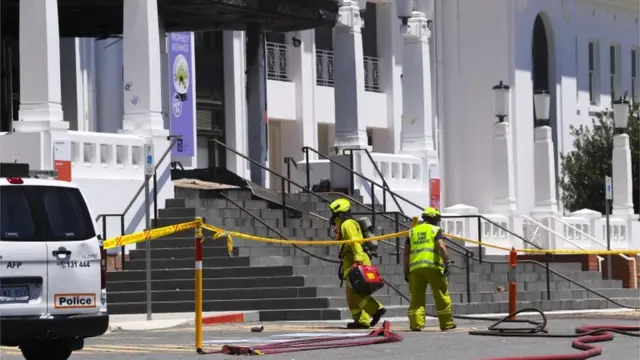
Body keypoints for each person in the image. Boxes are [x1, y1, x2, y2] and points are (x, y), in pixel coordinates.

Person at [329, 198, 386, 329]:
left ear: (338, 212)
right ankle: (361, 320)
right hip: (350, 260)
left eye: (332, 212)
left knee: (356, 292)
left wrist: (358, 259)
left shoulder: (347, 224)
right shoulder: (343, 224)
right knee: (350, 294)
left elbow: (354, 241)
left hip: (356, 259)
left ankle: (376, 309)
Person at [403, 207, 456, 332]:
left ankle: (416, 324)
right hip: (433, 268)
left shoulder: (413, 231)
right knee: (441, 295)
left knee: (416, 297)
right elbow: (442, 248)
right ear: (434, 219)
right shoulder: (435, 230)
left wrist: (406, 270)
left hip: (415, 269)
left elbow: (406, 253)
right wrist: (447, 262)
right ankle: (446, 324)